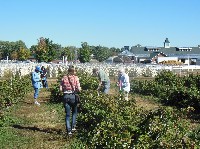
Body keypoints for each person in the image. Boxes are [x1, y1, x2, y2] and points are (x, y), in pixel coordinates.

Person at [60, 66, 81, 135]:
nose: (76, 72)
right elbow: (78, 88)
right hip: (73, 96)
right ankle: (73, 127)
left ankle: (68, 131)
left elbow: (60, 89)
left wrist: (65, 90)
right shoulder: (76, 78)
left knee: (67, 115)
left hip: (65, 96)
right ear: (73, 71)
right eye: (75, 71)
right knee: (74, 112)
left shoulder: (64, 78)